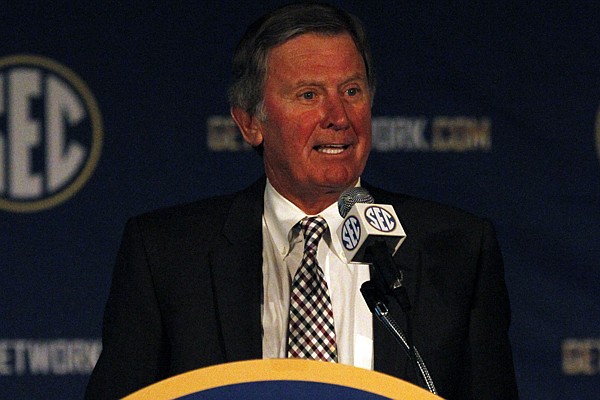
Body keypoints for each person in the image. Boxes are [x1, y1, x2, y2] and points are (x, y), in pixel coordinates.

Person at [85, 3, 518, 399]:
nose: (339, 116)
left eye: (352, 91)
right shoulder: (167, 254)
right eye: (309, 95)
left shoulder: (457, 249)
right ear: (250, 122)